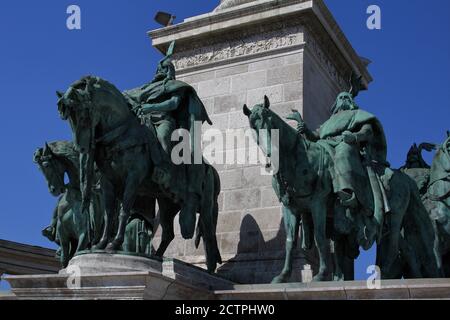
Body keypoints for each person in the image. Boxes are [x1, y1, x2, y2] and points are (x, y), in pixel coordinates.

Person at [123, 41, 212, 239]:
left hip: (164, 120)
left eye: (166, 68)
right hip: (145, 122)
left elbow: (173, 103)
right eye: (161, 67)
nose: (163, 70)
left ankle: (163, 169)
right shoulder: (147, 88)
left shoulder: (176, 87)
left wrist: (150, 108)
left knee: (163, 138)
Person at [288, 91, 390, 248]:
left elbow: (367, 131)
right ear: (335, 103)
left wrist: (354, 137)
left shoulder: (357, 114)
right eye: (340, 97)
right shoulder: (329, 121)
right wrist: (304, 127)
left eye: (346, 97)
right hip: (325, 145)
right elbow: (316, 136)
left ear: (350, 101)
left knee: (343, 154)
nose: (343, 99)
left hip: (346, 142)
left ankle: (347, 193)